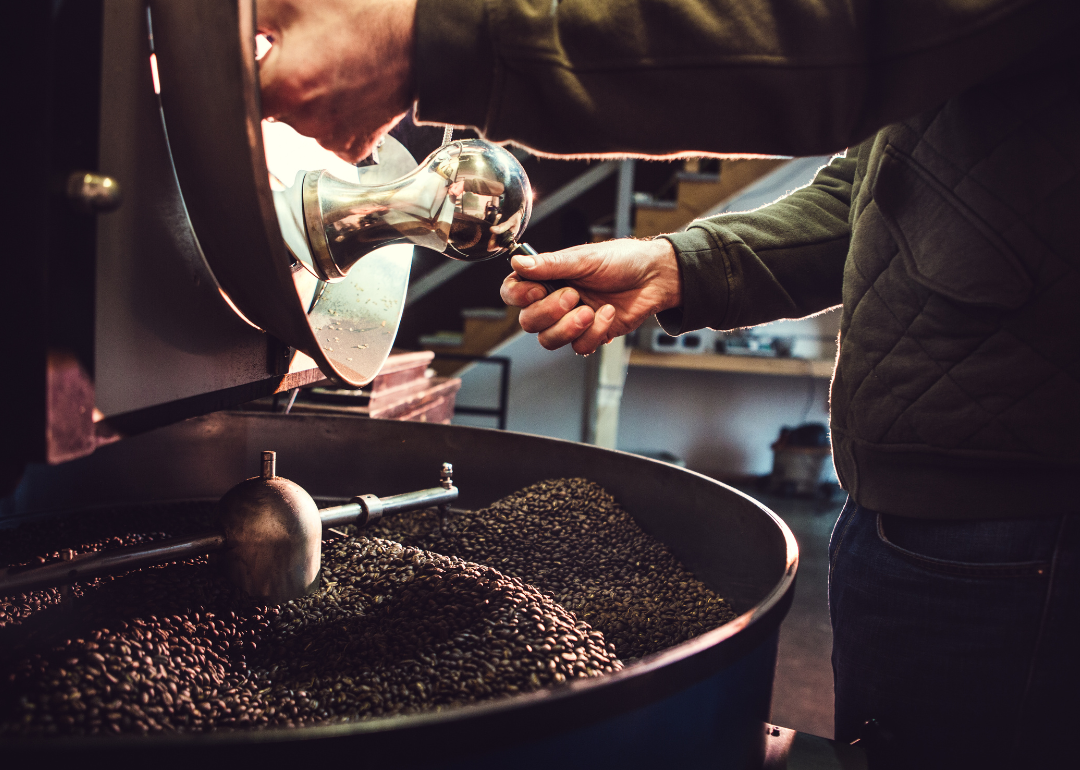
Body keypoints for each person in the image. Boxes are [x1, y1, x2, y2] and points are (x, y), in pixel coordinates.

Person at [257, 1, 1080, 765]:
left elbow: (842, 33)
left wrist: (438, 37)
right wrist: (681, 262)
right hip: (929, 502)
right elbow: (880, 182)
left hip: (1022, 521)